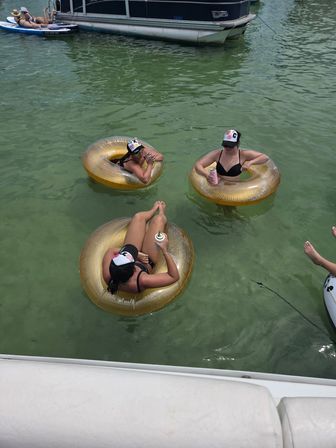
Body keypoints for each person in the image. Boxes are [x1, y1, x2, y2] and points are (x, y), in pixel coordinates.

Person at [102, 201, 179, 294]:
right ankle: (161, 212)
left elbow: (111, 251)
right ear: (133, 269)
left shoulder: (108, 274)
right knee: (158, 219)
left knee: (138, 217)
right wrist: (164, 250)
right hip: (148, 258)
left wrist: (136, 254)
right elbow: (173, 277)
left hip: (137, 255)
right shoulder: (142, 280)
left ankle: (153, 210)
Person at [195, 129, 269, 185]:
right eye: (225, 145)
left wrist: (250, 163)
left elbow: (265, 157)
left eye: (230, 146)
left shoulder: (243, 155)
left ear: (237, 144)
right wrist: (207, 175)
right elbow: (198, 165)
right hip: (218, 186)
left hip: (234, 187)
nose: (227, 148)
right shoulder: (217, 154)